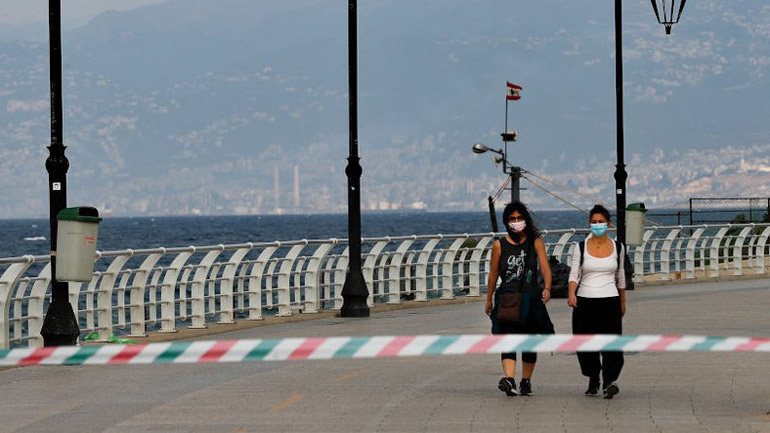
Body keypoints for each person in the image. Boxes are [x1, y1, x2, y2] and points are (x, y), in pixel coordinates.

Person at [485, 201, 554, 397]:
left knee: (529, 341)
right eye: (512, 219)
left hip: (531, 298)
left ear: (526, 219)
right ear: (506, 222)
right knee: (508, 340)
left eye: (519, 218)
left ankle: (526, 381)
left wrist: (547, 288)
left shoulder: (535, 242)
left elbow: (545, 267)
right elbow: (493, 273)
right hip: (507, 299)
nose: (516, 222)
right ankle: (509, 379)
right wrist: (488, 298)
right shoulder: (499, 245)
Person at [568, 204, 627, 399]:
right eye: (593, 222)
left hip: (610, 300)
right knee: (585, 344)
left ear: (608, 224)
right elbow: (574, 274)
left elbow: (621, 275)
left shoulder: (618, 247)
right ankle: (593, 377)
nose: (597, 225)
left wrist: (622, 301)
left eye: (601, 222)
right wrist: (571, 294)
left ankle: (610, 380)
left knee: (611, 343)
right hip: (585, 300)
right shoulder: (580, 247)